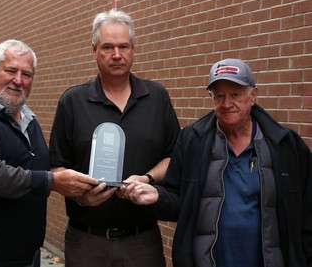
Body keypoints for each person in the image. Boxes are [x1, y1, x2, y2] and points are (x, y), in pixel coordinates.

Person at [123, 58, 312, 267]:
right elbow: (179, 202)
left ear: (253, 96)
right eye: (219, 96)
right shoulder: (192, 141)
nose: (227, 103)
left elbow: (307, 212)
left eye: (235, 95)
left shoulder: (285, 145)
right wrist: (158, 197)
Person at [0, 39, 97, 267]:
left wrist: (78, 191)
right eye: (11, 70)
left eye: (27, 74)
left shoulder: (29, 121)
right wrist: (54, 181)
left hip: (23, 256)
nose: (18, 80)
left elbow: (39, 173)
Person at [49, 9, 180, 266]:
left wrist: (148, 178)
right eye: (108, 47)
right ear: (94, 50)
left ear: (133, 50)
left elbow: (174, 155)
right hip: (86, 242)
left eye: (124, 46)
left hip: (142, 241)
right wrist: (80, 196)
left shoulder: (157, 98)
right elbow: (55, 167)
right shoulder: (73, 101)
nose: (117, 55)